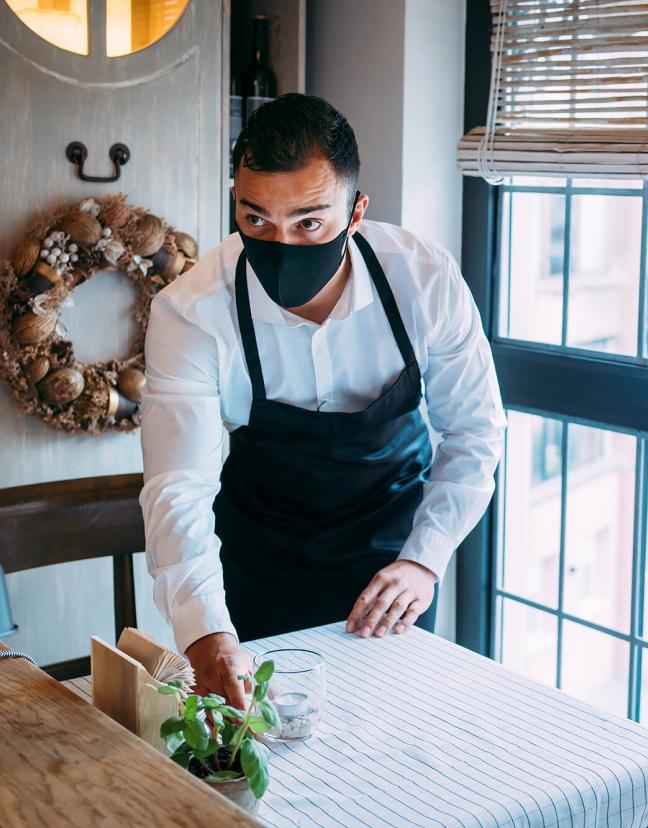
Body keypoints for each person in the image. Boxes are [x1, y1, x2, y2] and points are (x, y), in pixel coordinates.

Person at [139, 94, 505, 707]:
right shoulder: (192, 312)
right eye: (256, 220)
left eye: (309, 222)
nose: (280, 244)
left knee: (394, 743)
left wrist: (426, 558)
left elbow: (475, 432)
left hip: (393, 557)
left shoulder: (424, 279)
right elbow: (178, 485)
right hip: (261, 561)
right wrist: (203, 630)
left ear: (356, 211)